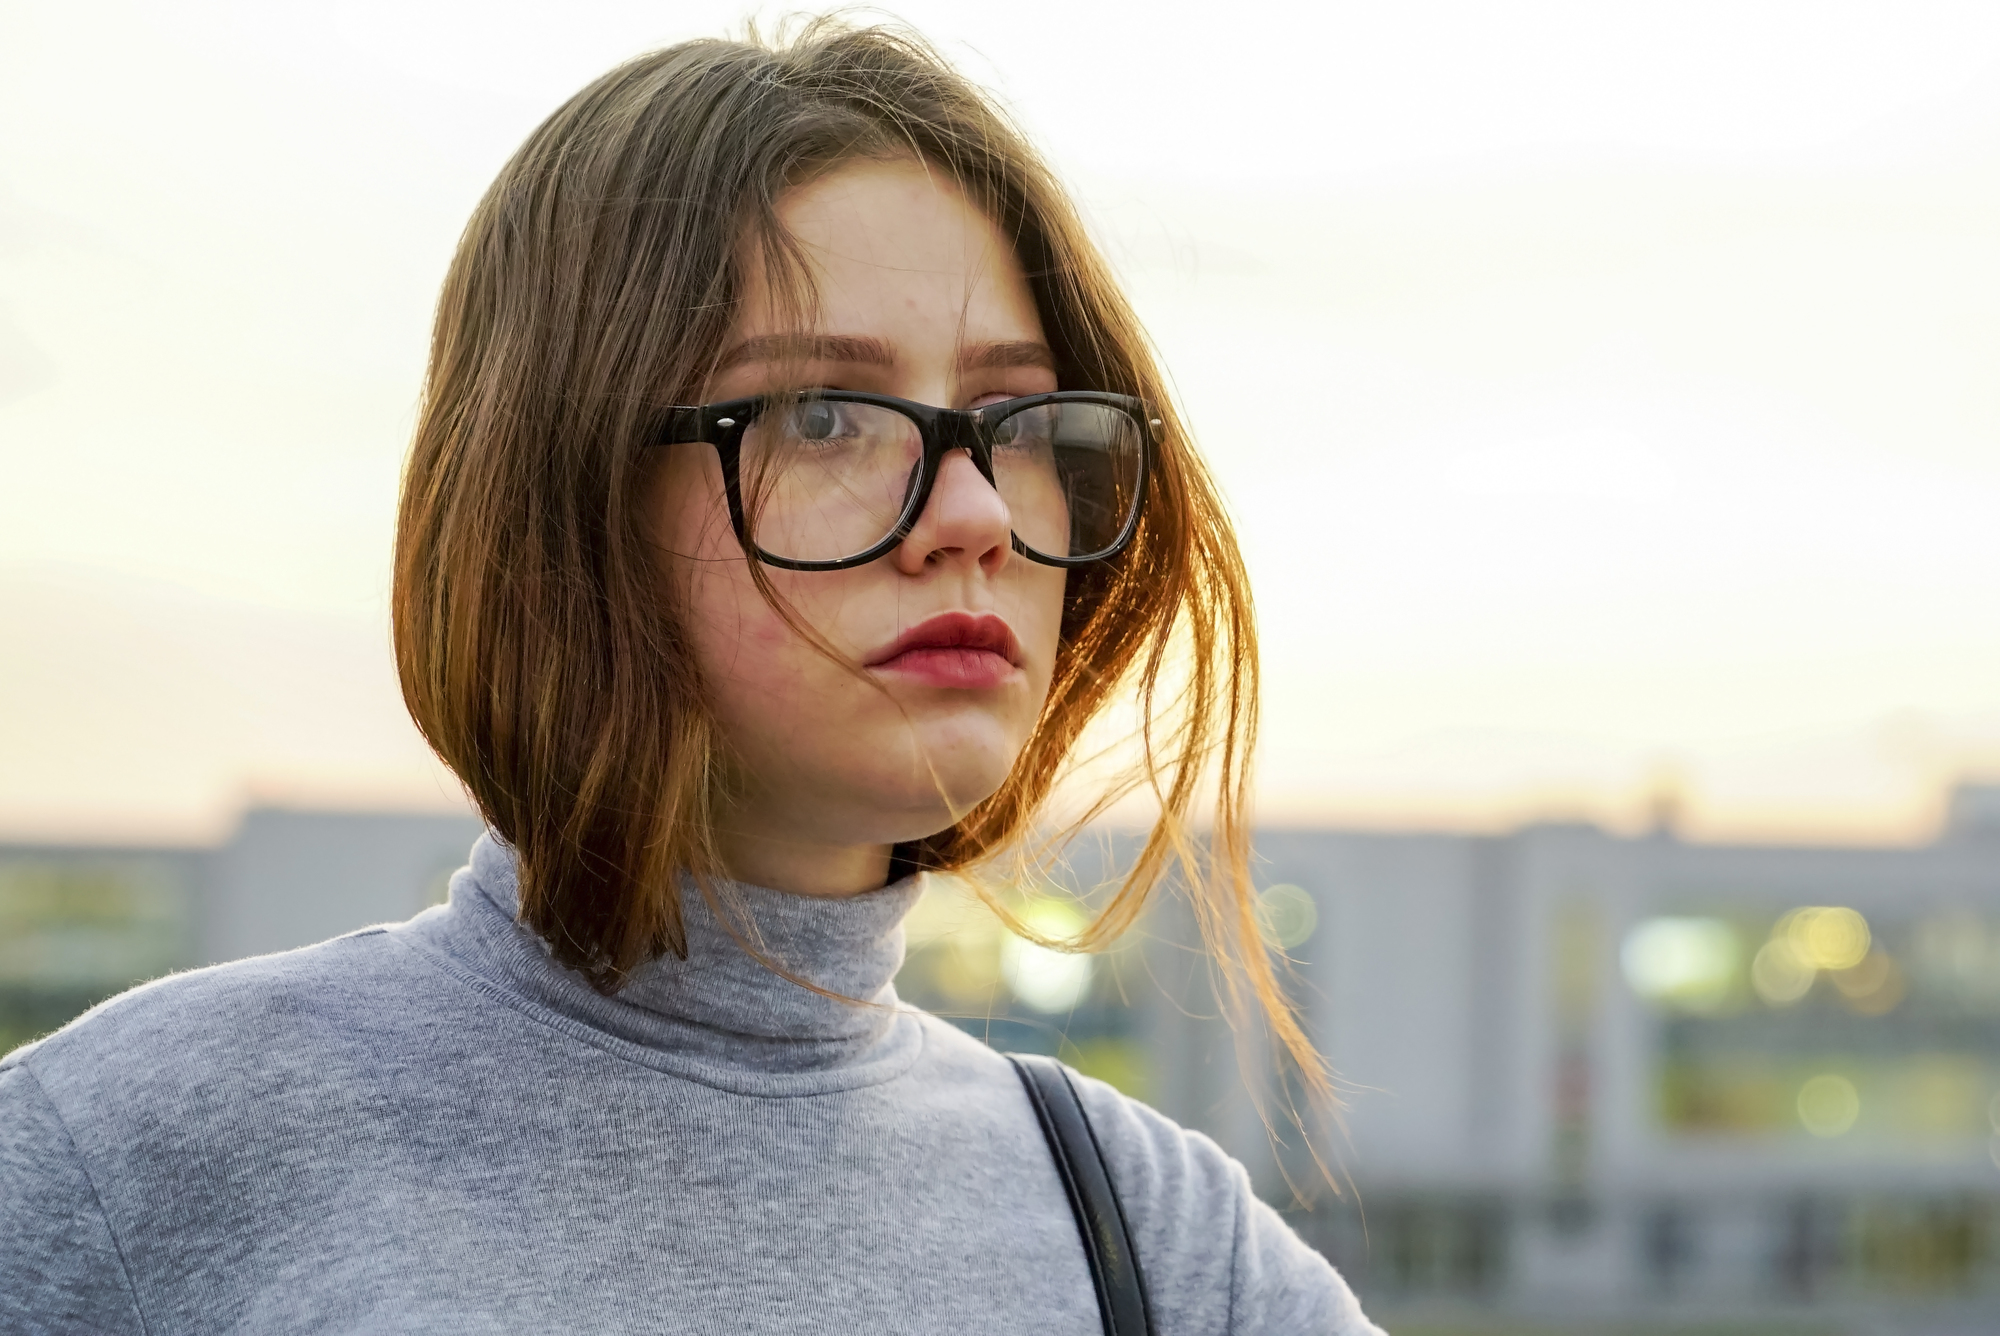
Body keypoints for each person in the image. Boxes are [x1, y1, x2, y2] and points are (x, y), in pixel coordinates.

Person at [1, 21, 1384, 1335]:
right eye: (826, 414)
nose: (969, 512)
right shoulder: (130, 1153)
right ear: (563, 493)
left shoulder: (1151, 1237)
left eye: (1017, 419)